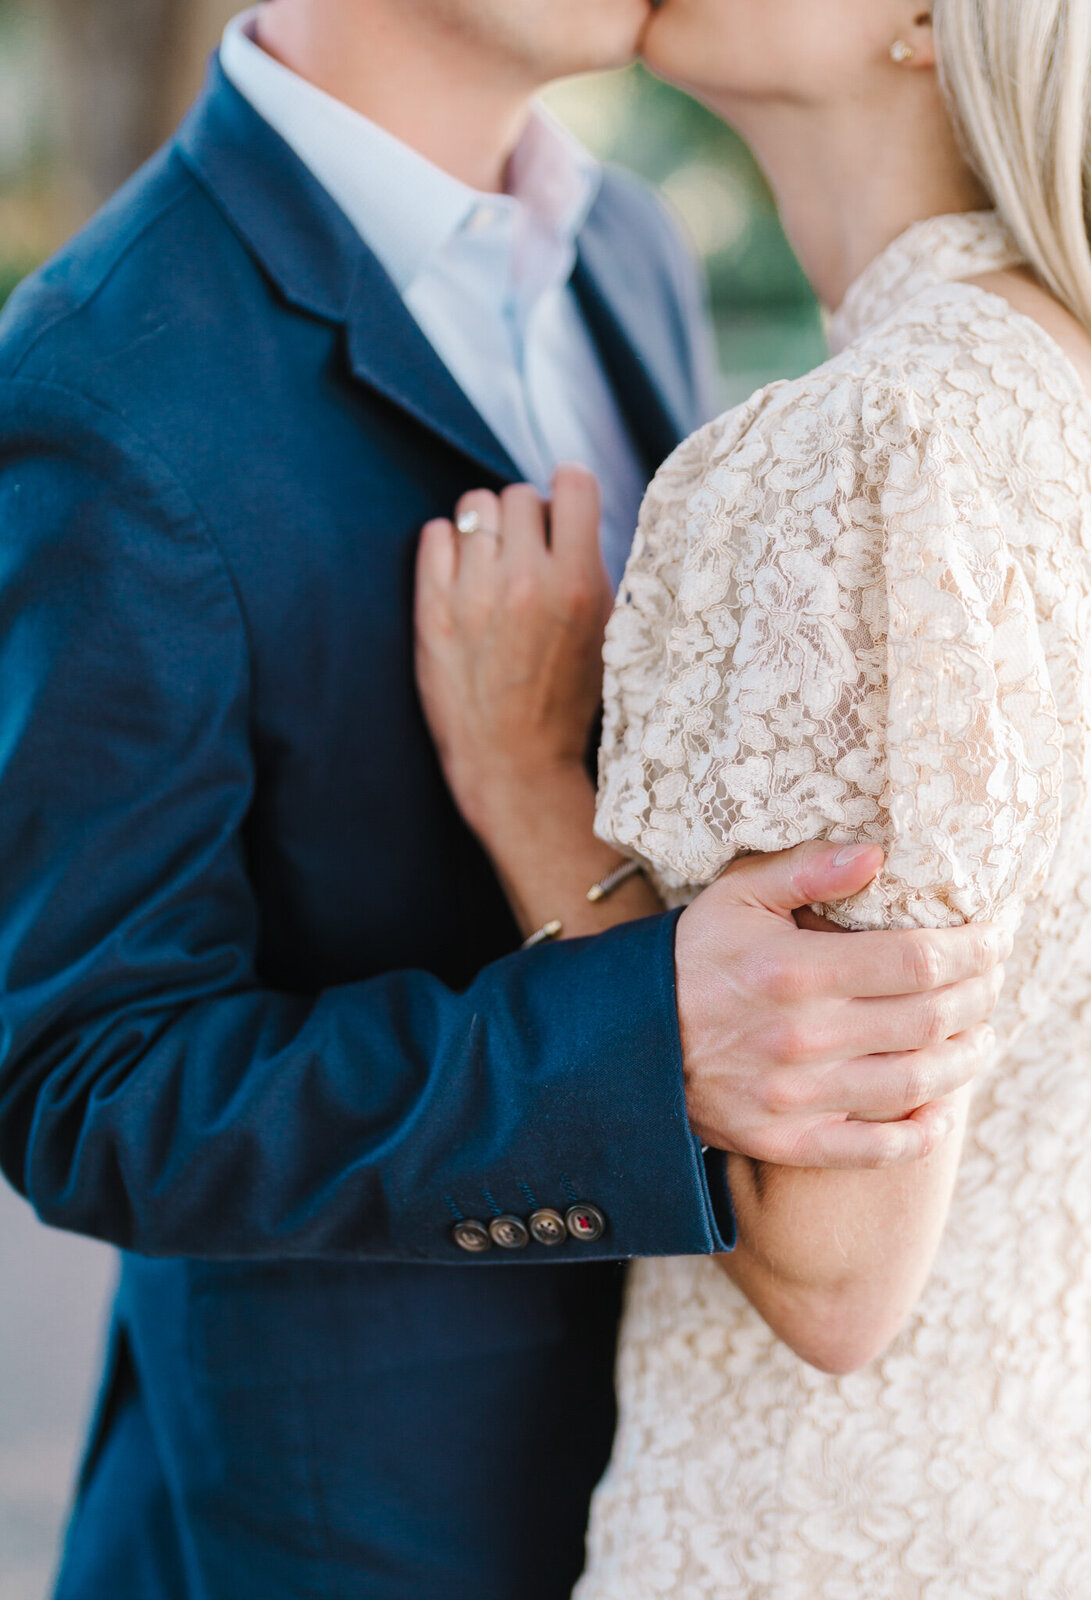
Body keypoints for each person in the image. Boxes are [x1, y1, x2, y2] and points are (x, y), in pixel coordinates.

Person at [0, 3, 1004, 1597]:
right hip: (357, 1522)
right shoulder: (108, 382)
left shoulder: (626, 244)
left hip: (698, 1472)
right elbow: (89, 1082)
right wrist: (634, 1036)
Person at [415, 0, 1091, 1593]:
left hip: (821, 1534)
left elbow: (838, 1274)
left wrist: (520, 781)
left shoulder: (872, 446)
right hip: (1086, 1505)